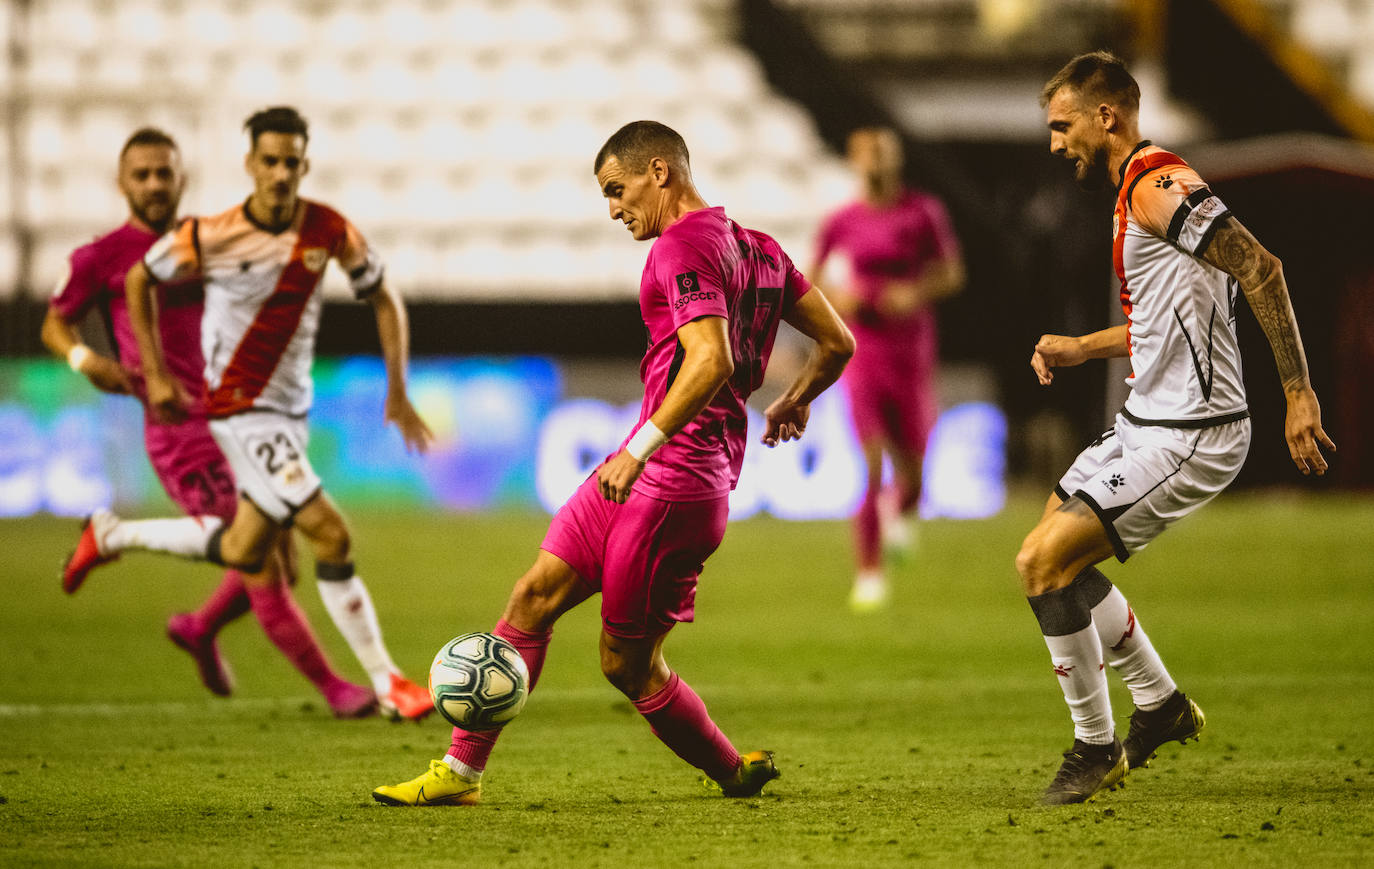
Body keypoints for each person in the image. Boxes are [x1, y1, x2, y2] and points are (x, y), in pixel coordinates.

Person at [371, 120, 855, 806]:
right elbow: (838, 341)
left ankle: (730, 769)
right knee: (532, 594)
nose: (613, 208)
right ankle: (461, 770)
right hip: (649, 464)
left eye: (617, 189)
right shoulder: (761, 250)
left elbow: (711, 359)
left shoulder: (683, 245)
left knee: (627, 664)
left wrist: (638, 450)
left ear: (659, 171)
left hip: (677, 478)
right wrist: (793, 399)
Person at [1022, 51, 1335, 804]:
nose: (1056, 142)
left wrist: (1299, 393)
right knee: (1053, 549)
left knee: (1043, 565)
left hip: (1193, 432)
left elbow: (1261, 267)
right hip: (1144, 421)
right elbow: (1159, 324)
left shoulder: (1161, 184)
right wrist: (1081, 347)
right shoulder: (1134, 191)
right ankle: (1159, 706)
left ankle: (1096, 748)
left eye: (1063, 126)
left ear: (1108, 117)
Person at [60, 108, 438, 721]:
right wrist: (153, 373)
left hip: (290, 413)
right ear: (250, 165)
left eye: (292, 162)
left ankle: (112, 535)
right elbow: (137, 279)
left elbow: (385, 297)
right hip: (238, 411)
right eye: (270, 161)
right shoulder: (212, 234)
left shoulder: (328, 228)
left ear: (305, 166)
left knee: (244, 546)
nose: (281, 173)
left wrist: (397, 388)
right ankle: (389, 682)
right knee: (330, 534)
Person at [811, 127, 965, 612]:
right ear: (855, 162)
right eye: (867, 155)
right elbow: (810, 280)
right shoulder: (841, 220)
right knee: (872, 461)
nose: (876, 162)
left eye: (883, 154)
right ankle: (870, 572)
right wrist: (840, 298)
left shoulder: (922, 212)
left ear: (896, 160)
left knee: (916, 477)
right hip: (864, 349)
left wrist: (914, 293)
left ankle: (900, 514)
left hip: (911, 349)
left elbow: (951, 273)